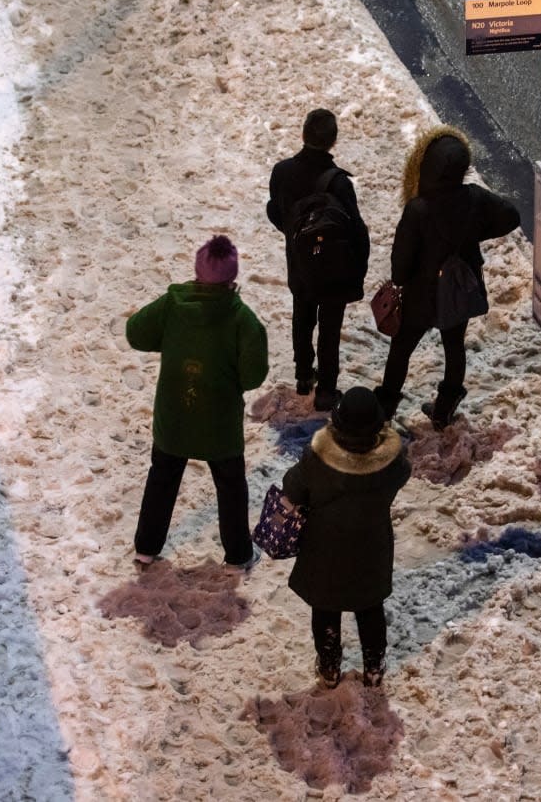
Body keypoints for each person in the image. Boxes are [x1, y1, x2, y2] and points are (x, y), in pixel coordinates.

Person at [126, 235, 269, 571]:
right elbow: (252, 377)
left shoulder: (174, 305)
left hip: (173, 418)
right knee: (231, 487)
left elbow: (136, 332)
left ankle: (146, 548)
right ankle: (238, 555)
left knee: (162, 479)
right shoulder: (243, 321)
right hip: (218, 426)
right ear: (233, 278)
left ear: (196, 270)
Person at [374, 125, 521, 429]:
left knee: (401, 349)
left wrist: (398, 280)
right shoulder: (474, 198)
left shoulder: (418, 209)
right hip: (457, 290)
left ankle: (384, 408)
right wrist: (475, 234)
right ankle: (444, 409)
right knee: (454, 346)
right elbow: (510, 215)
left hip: (420, 295)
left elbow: (401, 262)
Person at [281, 387, 411, 688]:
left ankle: (328, 666)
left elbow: (293, 487)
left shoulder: (318, 459)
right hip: (372, 549)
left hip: (324, 549)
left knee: (326, 607)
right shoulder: (391, 464)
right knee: (370, 608)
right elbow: (404, 473)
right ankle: (374, 664)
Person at [267, 108, 370, 412]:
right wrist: (358, 272)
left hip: (300, 264)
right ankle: (326, 389)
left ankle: (302, 375)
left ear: (303, 135)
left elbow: (276, 212)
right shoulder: (339, 183)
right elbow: (356, 230)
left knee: (302, 316)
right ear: (333, 141)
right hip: (334, 270)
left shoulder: (282, 171)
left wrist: (293, 234)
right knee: (329, 327)